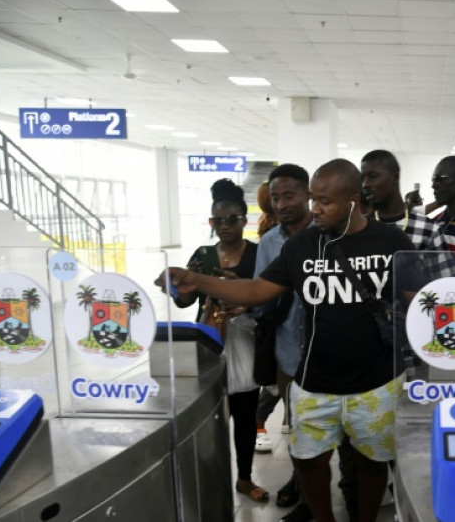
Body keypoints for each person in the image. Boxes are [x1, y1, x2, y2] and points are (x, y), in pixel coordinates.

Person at [159, 160, 415, 522]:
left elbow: (415, 298)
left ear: (353, 201)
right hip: (314, 382)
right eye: (314, 199)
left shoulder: (391, 241)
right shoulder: (301, 246)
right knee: (307, 458)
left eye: (325, 202)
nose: (316, 209)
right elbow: (256, 289)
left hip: (376, 382)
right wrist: (198, 281)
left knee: (372, 461)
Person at [173, 179, 268, 505]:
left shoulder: (258, 253)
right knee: (209, 419)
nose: (224, 227)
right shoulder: (202, 255)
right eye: (217, 221)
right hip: (210, 341)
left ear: (244, 220)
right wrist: (180, 286)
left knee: (244, 418)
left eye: (232, 219)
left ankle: (244, 479)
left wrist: (240, 290)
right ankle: (210, 480)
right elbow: (184, 302)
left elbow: (267, 296)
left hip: (245, 340)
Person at [251, 164, 316, 521]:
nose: (281, 204)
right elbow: (261, 295)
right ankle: (303, 488)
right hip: (289, 353)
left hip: (331, 351)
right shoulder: (269, 242)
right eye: (275, 197)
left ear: (307, 195)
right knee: (299, 428)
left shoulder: (328, 236)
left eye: (289, 195)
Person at [361, 150, 448, 252]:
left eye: (372, 176)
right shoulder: (359, 228)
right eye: (362, 178)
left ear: (395, 177)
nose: (365, 184)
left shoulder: (429, 229)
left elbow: (440, 268)